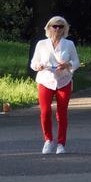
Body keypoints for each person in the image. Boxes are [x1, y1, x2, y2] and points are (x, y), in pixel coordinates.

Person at [30, 16, 81, 154]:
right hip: (45, 80)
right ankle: (48, 140)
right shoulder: (41, 44)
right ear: (49, 27)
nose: (58, 29)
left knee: (61, 113)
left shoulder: (69, 44)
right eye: (55, 26)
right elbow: (33, 63)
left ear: (65, 29)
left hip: (63, 81)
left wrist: (67, 65)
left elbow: (76, 62)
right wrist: (38, 65)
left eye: (61, 27)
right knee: (45, 112)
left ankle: (61, 144)